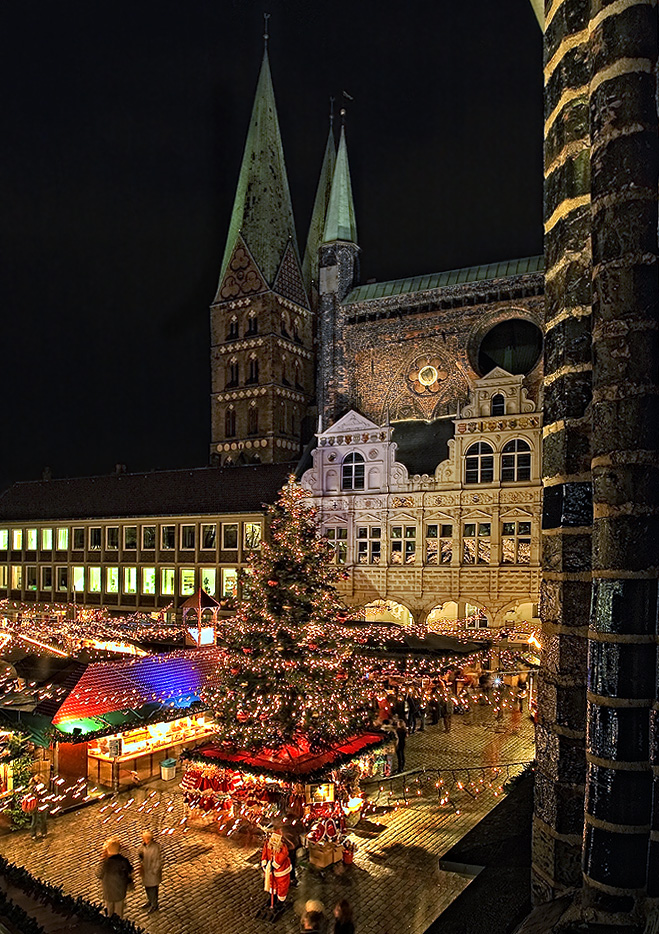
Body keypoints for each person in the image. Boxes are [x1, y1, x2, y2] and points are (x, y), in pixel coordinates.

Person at [97, 838, 133, 918]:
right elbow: (130, 870)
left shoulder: (105, 862)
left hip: (108, 891)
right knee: (119, 912)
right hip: (120, 891)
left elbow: (98, 874)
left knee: (109, 911)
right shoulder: (123, 861)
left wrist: (102, 859)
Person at [137, 830, 162, 913]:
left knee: (153, 889)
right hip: (145, 870)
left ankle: (154, 904)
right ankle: (150, 901)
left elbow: (157, 861)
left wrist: (154, 871)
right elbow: (140, 852)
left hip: (151, 872)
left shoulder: (155, 847)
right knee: (147, 888)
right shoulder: (143, 846)